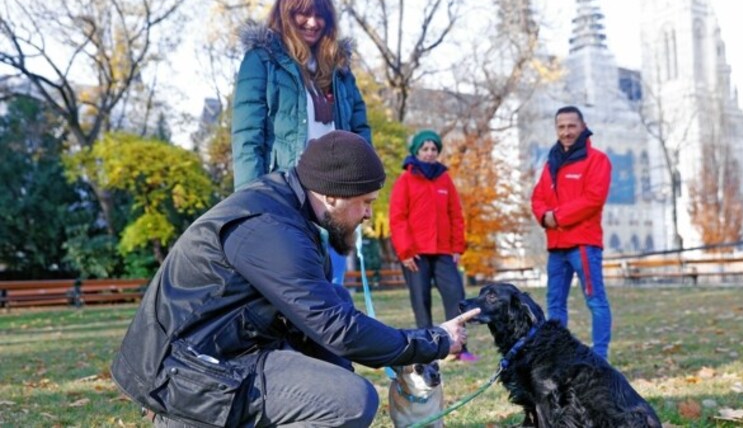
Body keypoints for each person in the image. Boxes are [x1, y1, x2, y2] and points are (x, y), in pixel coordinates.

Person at [111, 131, 479, 427]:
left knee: (338, 304)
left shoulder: (289, 209)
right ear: (333, 195)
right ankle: (182, 420)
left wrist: (397, 349)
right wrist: (431, 341)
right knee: (351, 401)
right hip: (183, 375)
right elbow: (339, 330)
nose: (369, 214)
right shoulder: (271, 230)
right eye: (366, 201)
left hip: (221, 353)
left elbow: (330, 320)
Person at [232, 0, 370, 284]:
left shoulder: (340, 68)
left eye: (320, 14)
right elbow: (247, 138)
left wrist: (362, 185)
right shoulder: (262, 61)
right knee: (295, 283)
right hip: (285, 191)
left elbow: (360, 128)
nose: (312, 22)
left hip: (335, 195)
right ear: (285, 14)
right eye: (302, 13)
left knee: (333, 287)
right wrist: (249, 205)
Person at [530, 105, 613, 360]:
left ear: (582, 126)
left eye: (571, 126)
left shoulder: (597, 160)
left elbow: (593, 199)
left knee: (595, 301)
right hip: (556, 247)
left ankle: (600, 357)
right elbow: (538, 197)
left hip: (583, 245)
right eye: (561, 127)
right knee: (554, 304)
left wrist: (558, 216)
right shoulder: (550, 162)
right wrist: (544, 216)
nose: (566, 132)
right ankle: (559, 357)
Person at [389, 130, 477, 362]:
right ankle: (428, 351)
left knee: (456, 296)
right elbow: (398, 218)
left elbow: (455, 214)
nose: (429, 153)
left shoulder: (444, 179)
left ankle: (460, 349)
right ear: (416, 152)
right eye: (425, 149)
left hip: (444, 251)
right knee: (421, 300)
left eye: (433, 149)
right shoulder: (405, 180)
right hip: (416, 254)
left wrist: (457, 247)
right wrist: (405, 252)